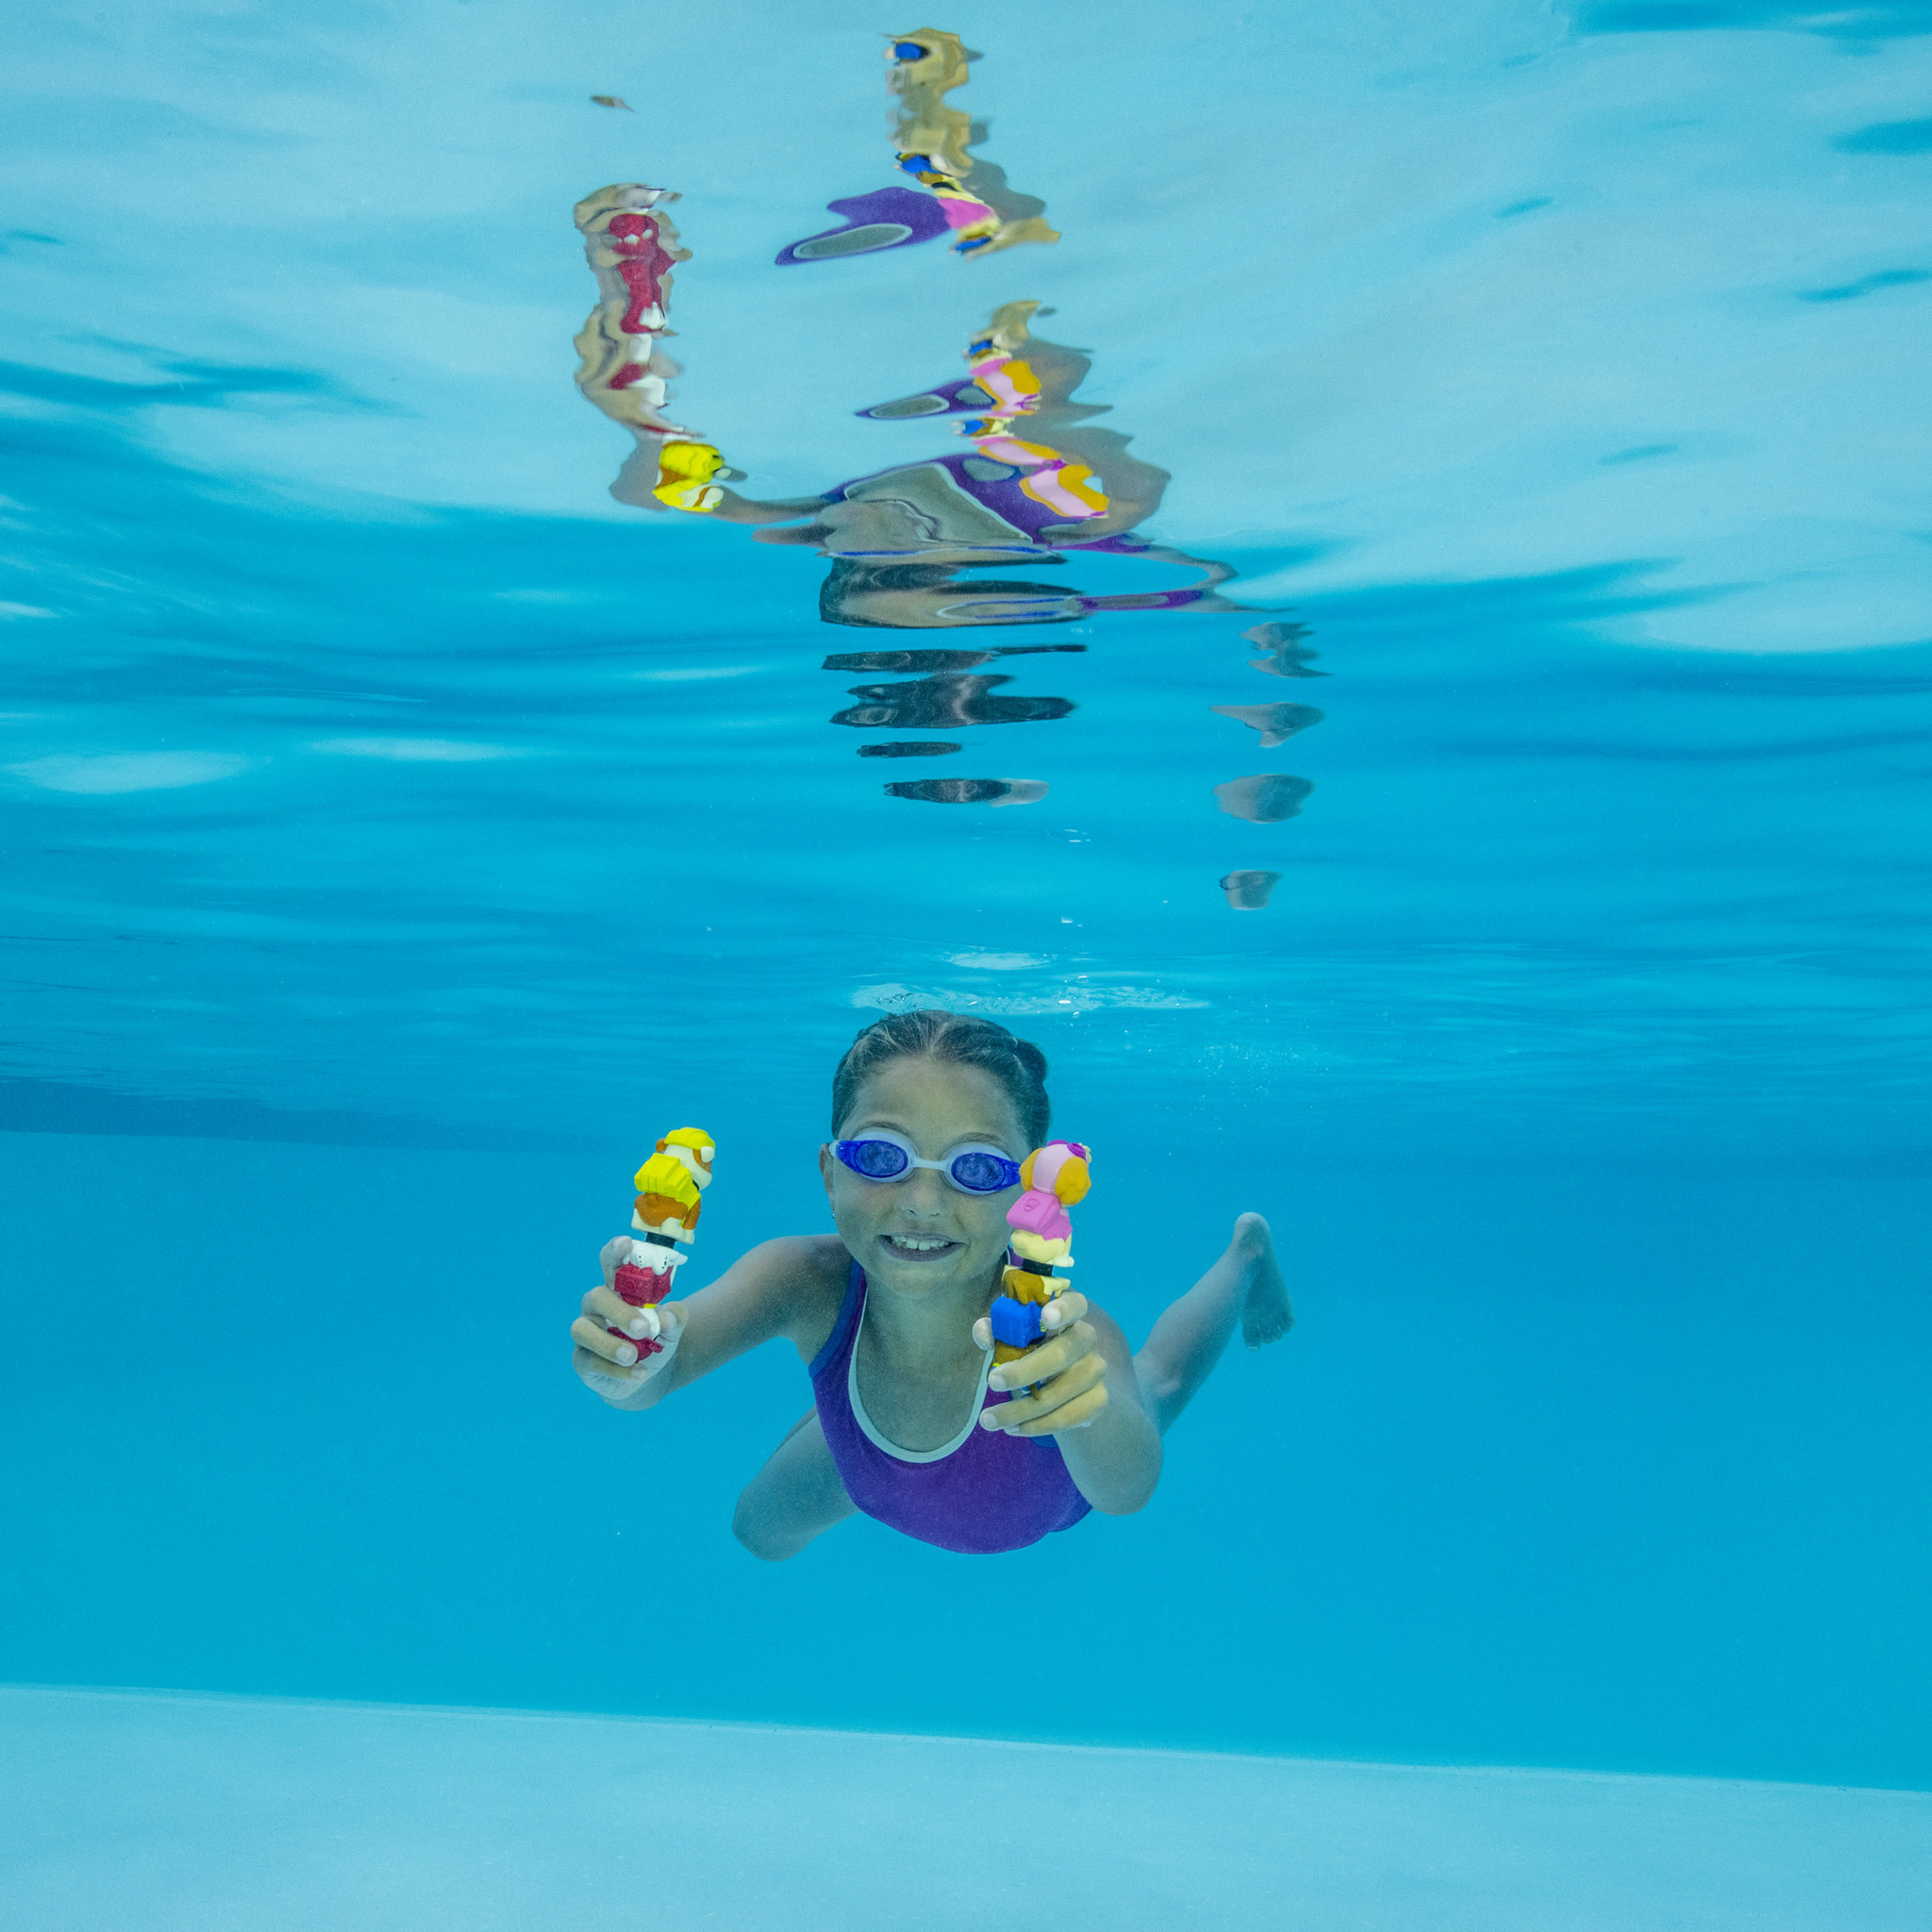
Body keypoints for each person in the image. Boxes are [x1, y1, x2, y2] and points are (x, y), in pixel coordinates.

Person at [569, 1008, 1293, 1557]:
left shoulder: (1060, 1337)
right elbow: (657, 1376)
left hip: (1041, 1491)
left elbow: (1125, 1492)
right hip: (869, 1469)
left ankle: (1246, 1256)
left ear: (1030, 1191)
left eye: (975, 1168)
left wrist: (1085, 1412)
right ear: (831, 1175)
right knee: (756, 1533)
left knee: (1157, 1378)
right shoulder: (803, 1279)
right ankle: (857, 1421)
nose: (921, 1201)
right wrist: (625, 1361)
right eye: (882, 1157)